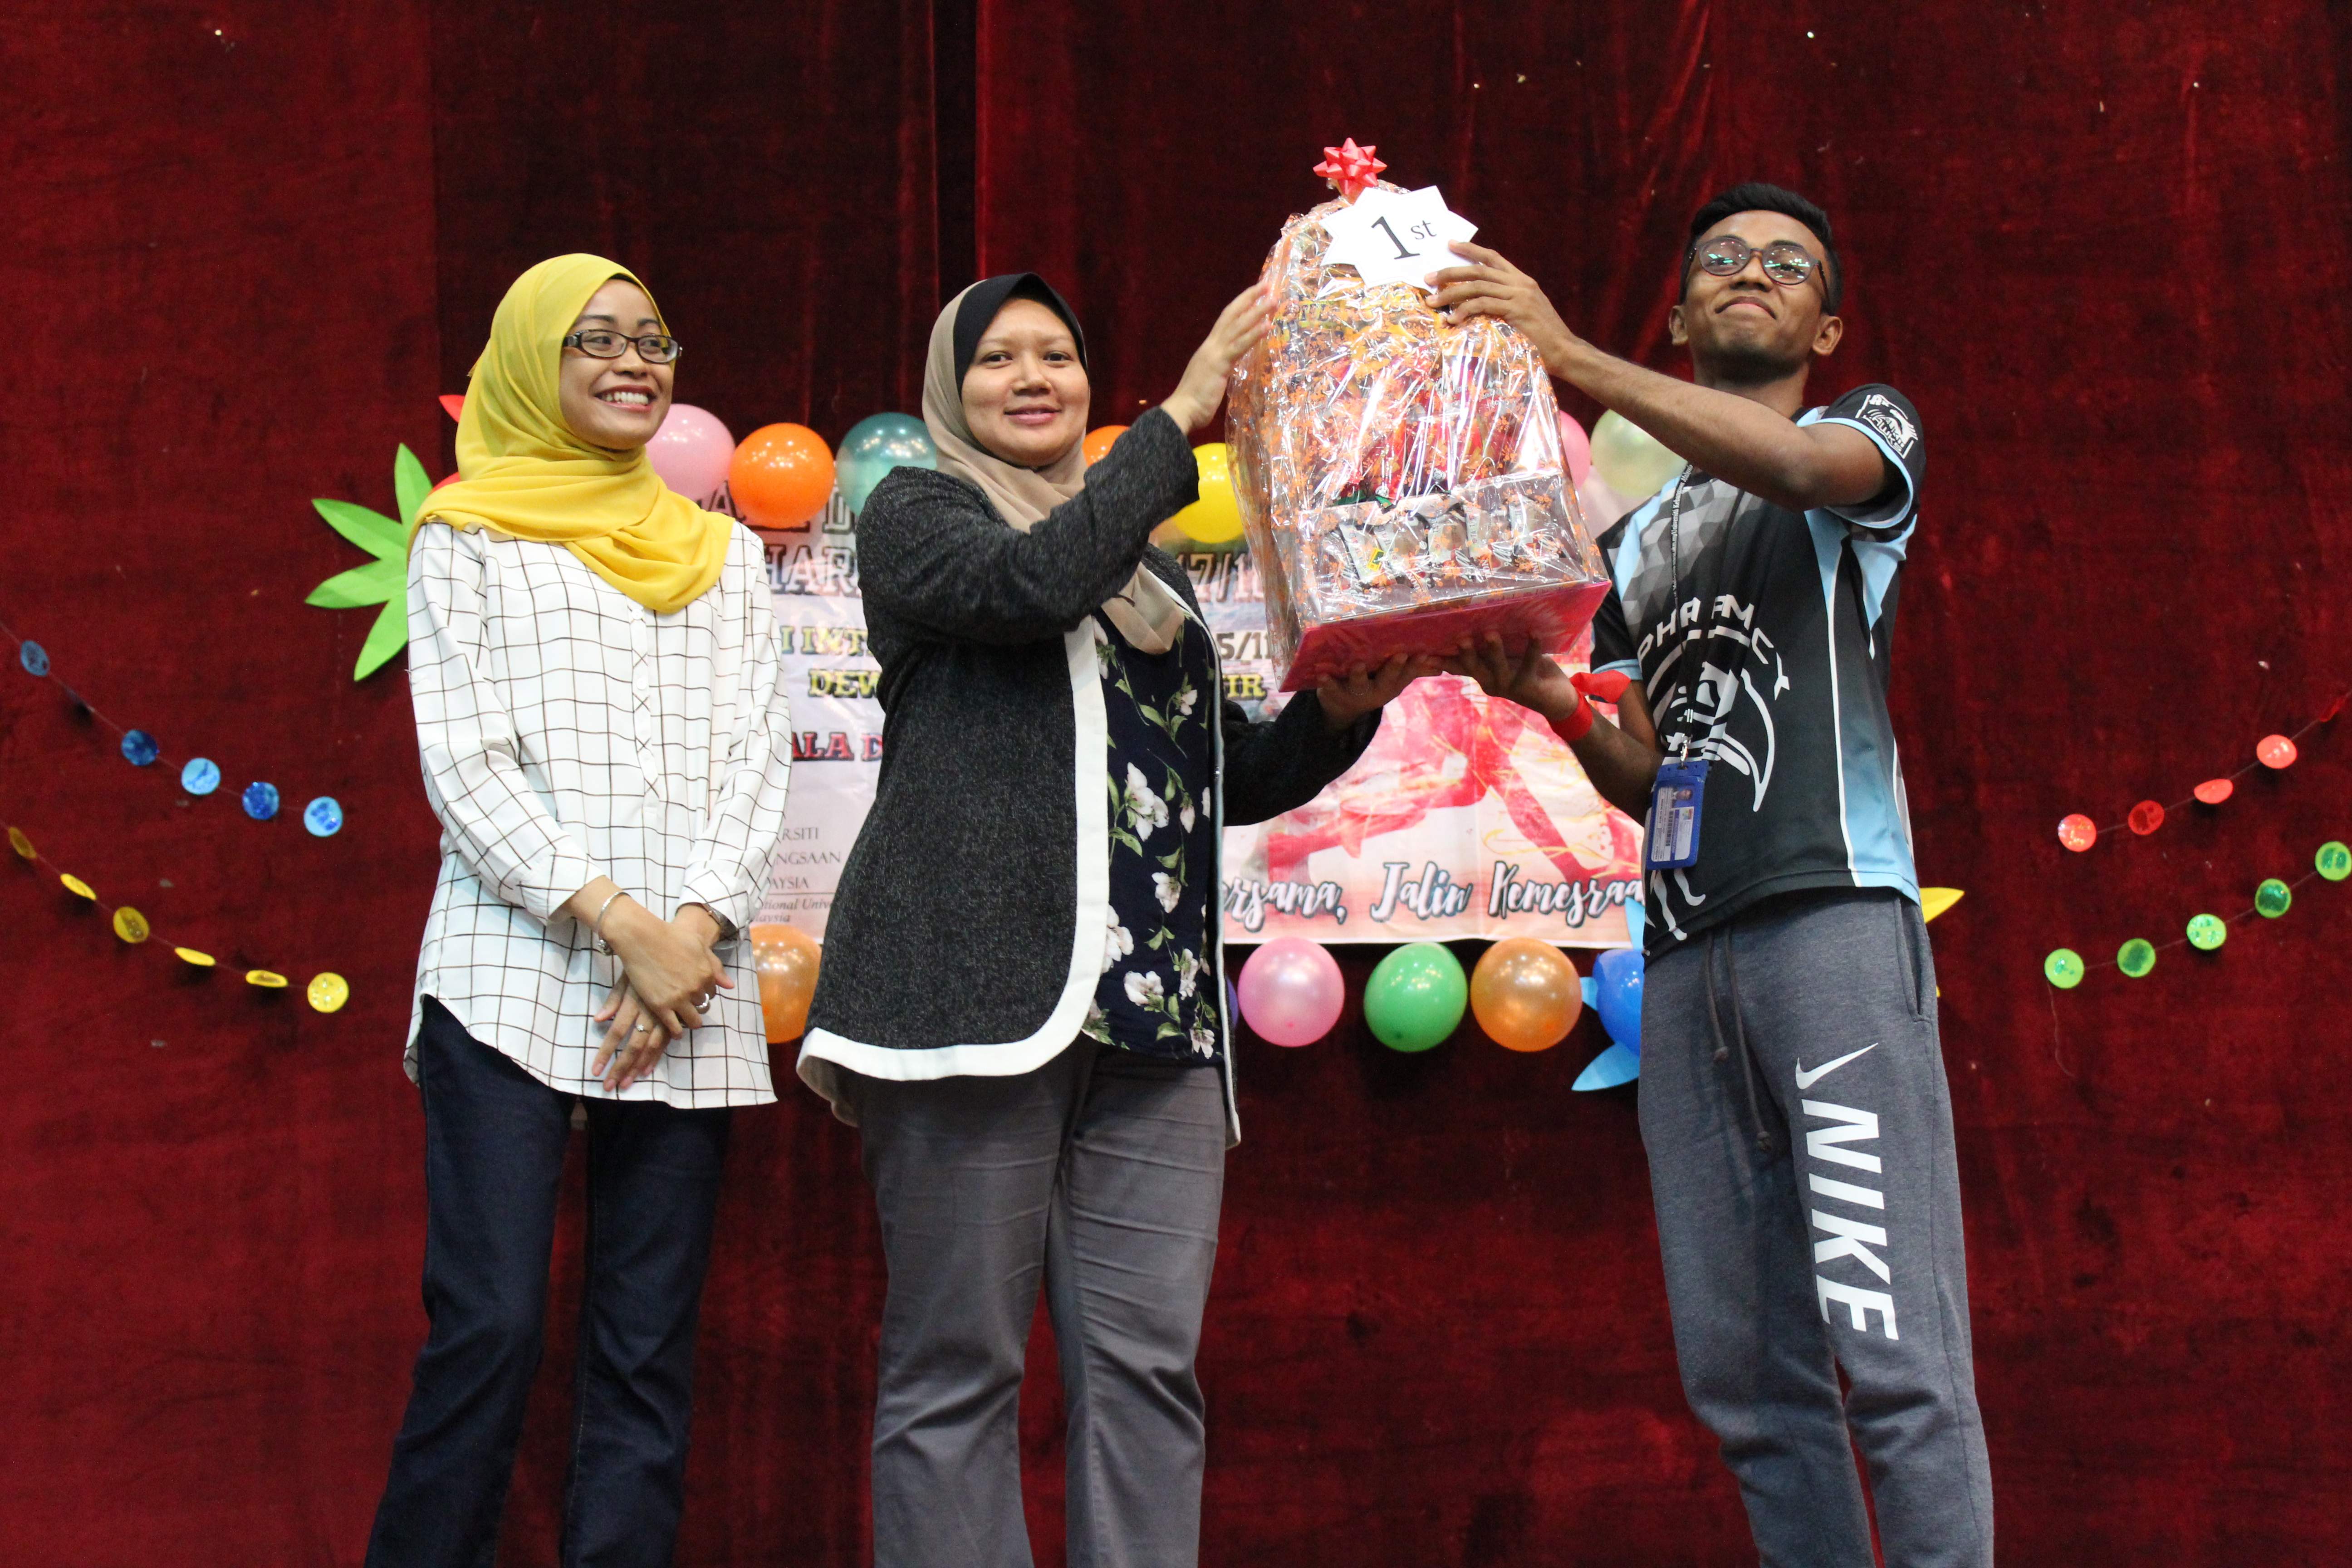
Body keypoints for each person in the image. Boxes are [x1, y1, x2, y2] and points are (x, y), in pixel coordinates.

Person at [799, 272, 1431, 1568]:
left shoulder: (1149, 578)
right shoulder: (918, 513)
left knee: (1148, 1375)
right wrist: (1184, 412)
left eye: (1057, 355)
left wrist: (1339, 711)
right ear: (950, 389)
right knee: (957, 1368)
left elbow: (1216, 776)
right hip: (973, 1002)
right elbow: (1031, 586)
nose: (1032, 378)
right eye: (997, 359)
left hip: (1156, 1020)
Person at [1429, 185, 1993, 1566]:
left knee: (1895, 1359)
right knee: (1746, 1383)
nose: (1754, 273)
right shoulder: (1633, 546)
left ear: (1827, 325)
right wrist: (1555, 704)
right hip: (1684, 959)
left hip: (1830, 929)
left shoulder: (1865, 429)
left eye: (1789, 265)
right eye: (1723, 260)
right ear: (1681, 311)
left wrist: (1571, 356)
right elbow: (1656, 775)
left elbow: (1796, 470)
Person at [367, 254, 794, 1568]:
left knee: (645, 1349)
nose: (632, 363)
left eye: (652, 340)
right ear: (528, 361)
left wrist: (693, 932)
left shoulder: (723, 552)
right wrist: (627, 929)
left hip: (690, 989)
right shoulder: (468, 536)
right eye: (595, 339)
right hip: (509, 973)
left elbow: (758, 758)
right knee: (492, 1325)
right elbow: (467, 767)